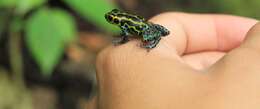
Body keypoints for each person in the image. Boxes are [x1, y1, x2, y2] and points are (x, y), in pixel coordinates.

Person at [87, 12, 260, 109]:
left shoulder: (124, 26)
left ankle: (153, 41)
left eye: (112, 19)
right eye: (111, 18)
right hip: (150, 26)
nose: (110, 20)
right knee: (152, 31)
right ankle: (154, 38)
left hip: (147, 29)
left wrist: (122, 42)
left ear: (118, 20)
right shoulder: (125, 22)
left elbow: (125, 36)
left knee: (147, 36)